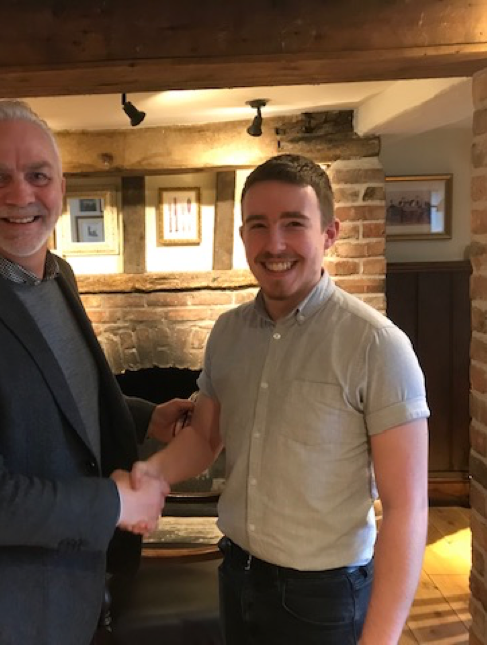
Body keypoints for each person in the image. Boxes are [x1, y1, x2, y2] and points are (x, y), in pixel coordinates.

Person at [0, 99, 192, 645]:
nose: (21, 194)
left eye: (37, 176)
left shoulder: (57, 275)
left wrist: (145, 417)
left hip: (68, 596)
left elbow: (57, 395)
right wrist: (117, 503)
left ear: (61, 187)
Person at [133, 154, 430, 644]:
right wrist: (152, 473)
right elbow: (205, 437)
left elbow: (407, 508)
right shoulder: (228, 333)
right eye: (258, 225)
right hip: (237, 576)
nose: (274, 244)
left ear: (329, 233)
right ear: (243, 235)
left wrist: (380, 639)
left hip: (325, 597)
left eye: (294, 223)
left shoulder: (376, 344)